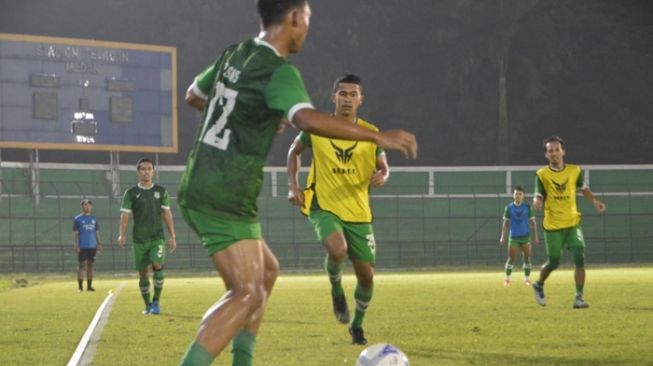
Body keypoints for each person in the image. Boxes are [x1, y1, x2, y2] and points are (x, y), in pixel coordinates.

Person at [177, 0, 417, 364]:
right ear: (293, 17)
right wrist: (376, 137)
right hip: (225, 192)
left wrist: (251, 118)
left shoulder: (235, 54)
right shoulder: (279, 72)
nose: (308, 26)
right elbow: (305, 120)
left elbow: (194, 96)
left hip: (203, 181)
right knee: (245, 293)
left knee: (267, 274)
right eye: (308, 18)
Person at [287, 74, 385, 345]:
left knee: (367, 277)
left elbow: (383, 164)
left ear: (361, 99)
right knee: (338, 249)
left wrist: (383, 175)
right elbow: (294, 151)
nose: (348, 99)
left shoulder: (370, 132)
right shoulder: (316, 126)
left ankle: (357, 326)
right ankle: (336, 287)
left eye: (353, 94)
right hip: (323, 205)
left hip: (359, 212)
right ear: (334, 97)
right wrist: (293, 186)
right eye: (343, 94)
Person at [531, 136, 606, 308]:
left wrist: (595, 202)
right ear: (546, 155)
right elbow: (538, 195)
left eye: (557, 150)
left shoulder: (575, 171)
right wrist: (537, 202)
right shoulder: (542, 175)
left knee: (579, 257)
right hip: (553, 226)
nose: (554, 153)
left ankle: (579, 297)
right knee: (554, 262)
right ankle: (539, 284)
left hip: (573, 223)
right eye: (551, 151)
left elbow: (584, 189)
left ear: (563, 151)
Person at [118, 158, 177, 315]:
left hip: (157, 237)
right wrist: (121, 234)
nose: (146, 171)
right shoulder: (130, 193)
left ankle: (156, 301)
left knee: (157, 264)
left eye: (149, 168)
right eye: (143, 169)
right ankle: (148, 304)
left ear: (153, 171)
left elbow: (167, 213)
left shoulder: (161, 191)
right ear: (138, 172)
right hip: (139, 239)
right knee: (143, 273)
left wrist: (172, 235)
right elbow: (124, 215)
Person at [499, 186, 539, 286]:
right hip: (513, 237)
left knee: (527, 258)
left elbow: (533, 223)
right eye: (516, 193)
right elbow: (505, 223)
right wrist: (502, 236)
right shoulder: (509, 208)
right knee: (511, 258)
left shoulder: (528, 208)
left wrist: (536, 236)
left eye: (520, 194)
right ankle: (507, 279)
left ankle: (527, 279)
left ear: (523, 196)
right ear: (513, 195)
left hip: (526, 237)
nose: (518, 195)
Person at [73, 198, 103, 292]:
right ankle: (80, 287)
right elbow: (75, 233)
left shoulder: (94, 219)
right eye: (85, 205)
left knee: (91, 265)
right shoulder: (78, 219)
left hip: (92, 246)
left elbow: (96, 232)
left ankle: (89, 286)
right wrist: (76, 245)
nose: (88, 206)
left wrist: (99, 244)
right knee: (82, 265)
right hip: (82, 246)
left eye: (89, 205)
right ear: (82, 206)